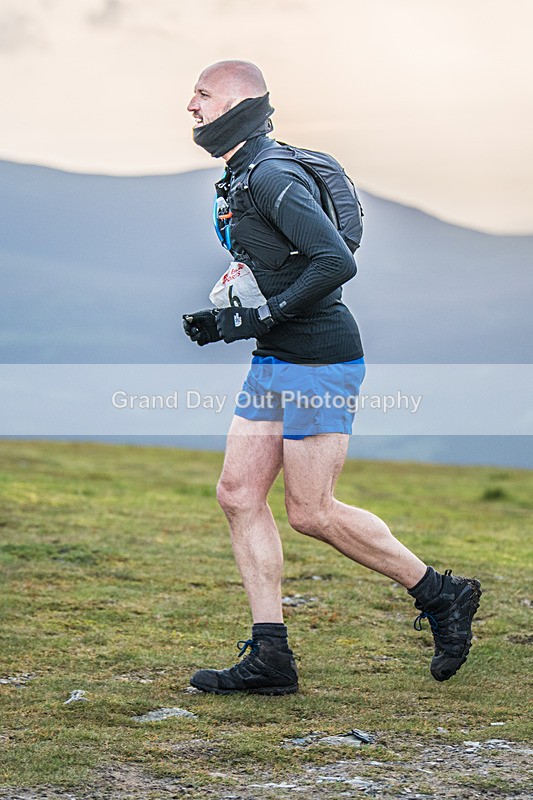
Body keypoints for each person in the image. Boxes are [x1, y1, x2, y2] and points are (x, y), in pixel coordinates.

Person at [183, 60, 481, 695]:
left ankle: (443, 594)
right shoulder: (242, 175)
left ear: (240, 101)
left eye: (202, 95)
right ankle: (271, 657)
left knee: (312, 511)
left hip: (319, 357)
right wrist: (240, 315)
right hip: (275, 358)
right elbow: (282, 261)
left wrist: (265, 314)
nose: (191, 106)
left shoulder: (271, 174)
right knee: (238, 494)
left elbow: (334, 261)